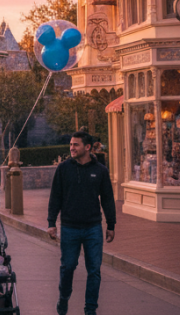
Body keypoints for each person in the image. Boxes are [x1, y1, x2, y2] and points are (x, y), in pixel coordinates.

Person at [47, 131, 116, 315]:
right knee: (68, 266)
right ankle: (64, 297)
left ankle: (90, 309)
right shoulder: (63, 168)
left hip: (93, 227)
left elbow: (107, 198)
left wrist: (111, 225)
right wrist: (51, 222)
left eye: (75, 145)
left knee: (94, 270)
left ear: (87, 147)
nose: (71, 148)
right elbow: (55, 197)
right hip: (69, 227)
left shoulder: (100, 170)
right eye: (71, 144)